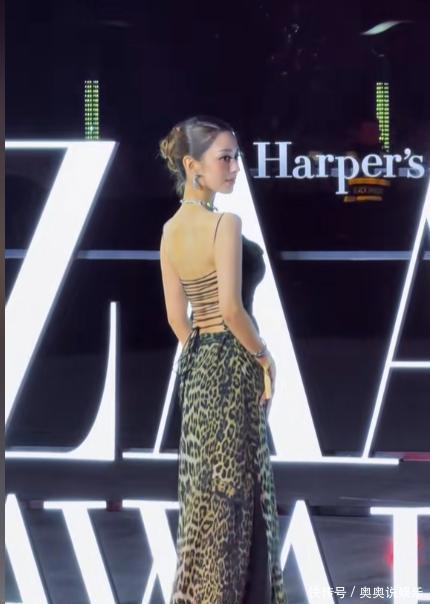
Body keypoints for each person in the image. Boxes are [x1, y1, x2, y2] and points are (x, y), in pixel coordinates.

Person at [158, 115, 287, 604]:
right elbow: (232, 309)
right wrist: (262, 357)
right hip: (233, 367)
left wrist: (205, 355)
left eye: (236, 157)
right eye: (225, 158)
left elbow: (178, 320)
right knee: (239, 504)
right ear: (192, 166)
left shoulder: (171, 231)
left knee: (207, 504)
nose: (234, 168)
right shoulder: (224, 224)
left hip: (197, 371)